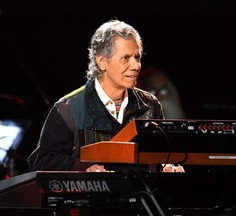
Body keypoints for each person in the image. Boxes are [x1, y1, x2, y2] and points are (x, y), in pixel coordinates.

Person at [27, 19, 184, 173]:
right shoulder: (69, 108)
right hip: (91, 197)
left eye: (137, 57)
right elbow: (42, 160)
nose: (136, 66)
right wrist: (84, 168)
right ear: (102, 62)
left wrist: (167, 167)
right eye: (126, 58)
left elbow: (160, 156)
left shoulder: (150, 105)